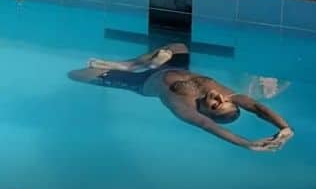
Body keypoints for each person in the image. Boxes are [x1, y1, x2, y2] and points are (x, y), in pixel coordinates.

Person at [68, 44, 294, 151]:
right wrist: (284, 127)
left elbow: (210, 127)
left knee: (76, 75)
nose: (219, 98)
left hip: (144, 81)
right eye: (225, 102)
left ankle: (133, 68)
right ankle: (132, 64)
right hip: (174, 66)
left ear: (205, 112)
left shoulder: (185, 108)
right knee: (178, 46)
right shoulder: (226, 93)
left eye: (215, 106)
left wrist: (246, 144)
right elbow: (256, 107)